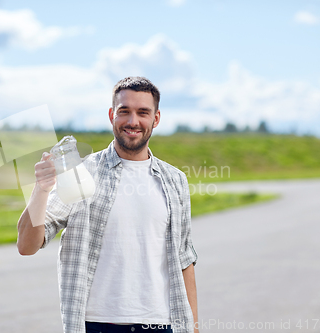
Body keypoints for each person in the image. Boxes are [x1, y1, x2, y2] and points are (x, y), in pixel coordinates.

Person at [17, 76, 198, 333]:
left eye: (143, 112)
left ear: (156, 119)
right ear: (112, 115)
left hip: (161, 324)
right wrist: (41, 189)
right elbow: (26, 246)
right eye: (124, 112)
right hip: (97, 324)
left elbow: (184, 260)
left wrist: (195, 327)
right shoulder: (80, 173)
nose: (133, 121)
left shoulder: (175, 180)